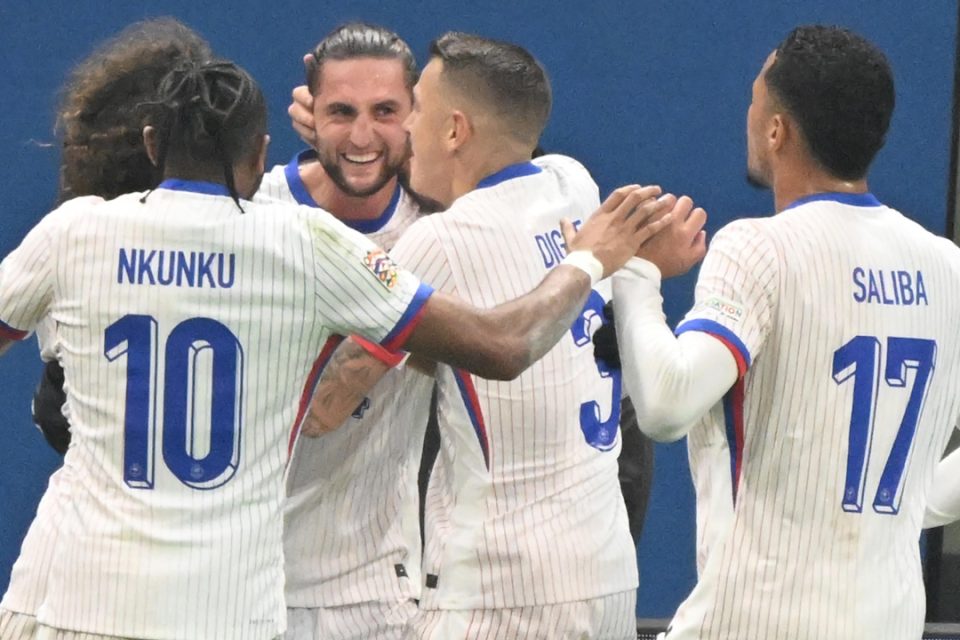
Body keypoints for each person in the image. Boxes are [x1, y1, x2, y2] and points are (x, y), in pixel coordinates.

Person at [0, 52, 671, 640]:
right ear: (264, 150)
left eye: (391, 112)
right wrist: (589, 262)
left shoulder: (73, 234)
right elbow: (504, 345)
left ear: (152, 144)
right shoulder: (304, 244)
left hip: (84, 592)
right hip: (227, 607)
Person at [308, 32, 702, 639]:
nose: (405, 127)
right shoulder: (572, 184)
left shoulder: (438, 244)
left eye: (415, 107)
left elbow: (327, 409)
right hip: (607, 571)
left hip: (498, 591)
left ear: (454, 130)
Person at [613, 24, 960, 639]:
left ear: (777, 131)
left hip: (753, 622)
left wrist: (636, 272)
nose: (748, 117)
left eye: (754, 102)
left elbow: (665, 406)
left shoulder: (758, 248)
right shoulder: (946, 266)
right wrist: (902, 501)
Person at [0, 18, 214, 640]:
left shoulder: (73, 236)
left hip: (67, 579)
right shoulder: (265, 235)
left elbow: (55, 415)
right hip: (194, 587)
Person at [258, 23, 435, 640]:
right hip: (247, 585)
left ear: (421, 113)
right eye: (341, 112)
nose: (362, 136)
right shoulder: (254, 215)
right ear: (310, 114)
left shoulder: (440, 227)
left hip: (379, 594)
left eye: (385, 111)